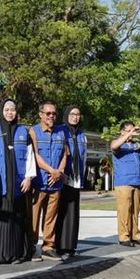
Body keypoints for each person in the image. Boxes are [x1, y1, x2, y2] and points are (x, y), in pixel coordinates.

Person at [0, 99, 36, 264]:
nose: (10, 113)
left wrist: (29, 177)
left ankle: (17, 254)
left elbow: (30, 156)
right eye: (7, 109)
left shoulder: (23, 131)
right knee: (0, 221)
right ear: (1, 111)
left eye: (13, 110)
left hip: (19, 186)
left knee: (18, 220)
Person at [29, 102, 67, 261]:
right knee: (34, 218)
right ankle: (31, 247)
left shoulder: (61, 132)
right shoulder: (34, 131)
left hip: (56, 184)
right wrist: (52, 171)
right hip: (39, 183)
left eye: (54, 113)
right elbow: (35, 156)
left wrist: (59, 172)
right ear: (41, 114)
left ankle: (48, 247)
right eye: (48, 113)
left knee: (51, 217)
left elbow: (64, 155)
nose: (51, 116)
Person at [111, 121, 140, 247]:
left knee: (135, 211)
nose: (132, 133)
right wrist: (128, 135)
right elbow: (114, 146)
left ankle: (135, 235)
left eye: (133, 130)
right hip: (123, 182)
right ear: (122, 131)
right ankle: (124, 237)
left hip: (136, 181)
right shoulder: (118, 143)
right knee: (124, 211)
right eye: (129, 130)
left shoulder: (136, 145)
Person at [57, 105, 86, 258]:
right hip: (63, 177)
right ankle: (59, 245)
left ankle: (71, 245)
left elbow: (83, 156)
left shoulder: (81, 134)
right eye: (72, 114)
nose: (75, 117)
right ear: (67, 115)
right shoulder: (60, 130)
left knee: (73, 212)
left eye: (78, 114)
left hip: (76, 178)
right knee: (61, 211)